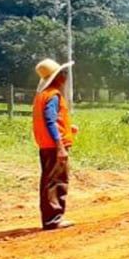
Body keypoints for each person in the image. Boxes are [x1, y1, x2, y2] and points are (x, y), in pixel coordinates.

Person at [32, 58, 76, 230]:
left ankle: (51, 218)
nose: (65, 76)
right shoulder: (53, 95)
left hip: (46, 145)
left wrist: (68, 129)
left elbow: (52, 120)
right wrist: (60, 147)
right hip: (53, 147)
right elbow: (49, 120)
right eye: (63, 73)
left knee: (49, 181)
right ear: (56, 77)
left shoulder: (42, 96)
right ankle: (53, 219)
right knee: (56, 182)